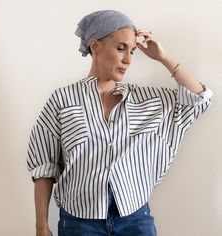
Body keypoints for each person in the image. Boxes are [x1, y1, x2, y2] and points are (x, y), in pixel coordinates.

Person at [27, 10, 212, 236]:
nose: (128, 59)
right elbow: (44, 166)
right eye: (121, 48)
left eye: (132, 51)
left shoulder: (144, 99)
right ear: (95, 45)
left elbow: (198, 100)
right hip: (79, 223)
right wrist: (41, 226)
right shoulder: (62, 100)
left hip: (134, 220)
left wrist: (163, 57)